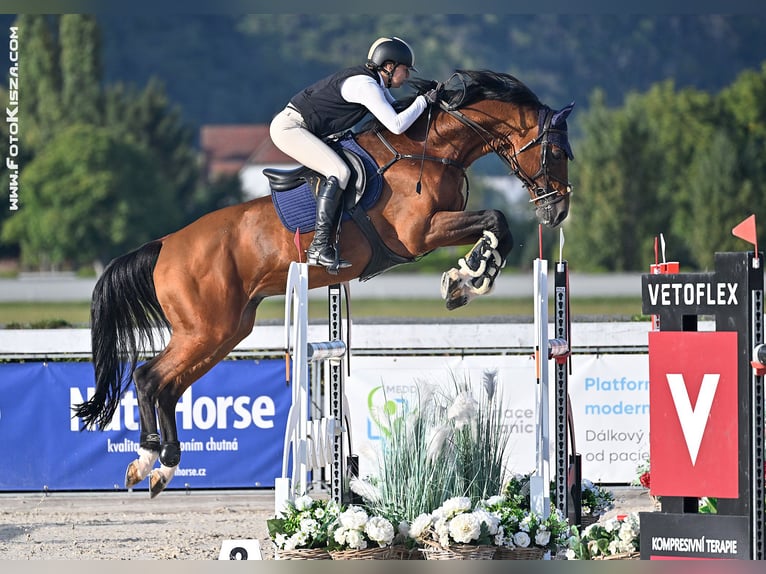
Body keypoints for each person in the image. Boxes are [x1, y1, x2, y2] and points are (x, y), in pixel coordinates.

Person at [270, 36, 439, 271]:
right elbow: (396, 125)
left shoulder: (375, 83)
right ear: (389, 66)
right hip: (290, 129)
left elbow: (397, 110)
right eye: (405, 70)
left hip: (303, 127)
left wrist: (431, 102)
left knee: (339, 169)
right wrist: (422, 102)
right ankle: (319, 247)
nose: (407, 76)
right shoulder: (365, 85)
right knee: (339, 171)